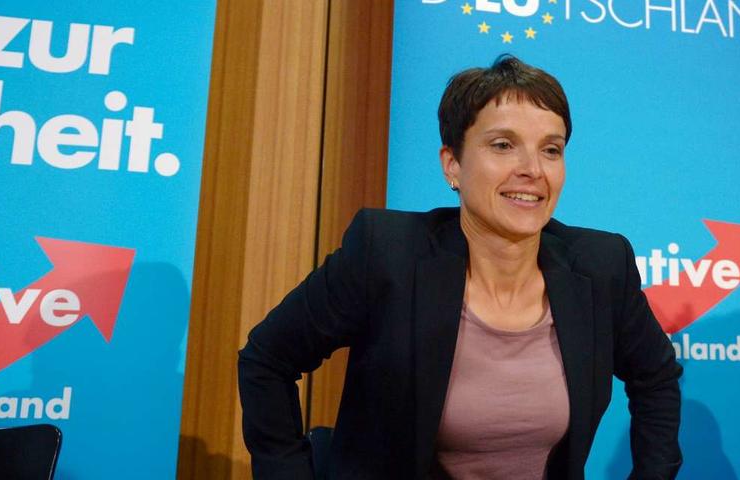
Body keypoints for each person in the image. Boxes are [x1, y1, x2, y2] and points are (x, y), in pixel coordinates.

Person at [238, 55, 682, 480]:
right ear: (452, 164)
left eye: (551, 149)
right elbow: (267, 359)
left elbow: (657, 377)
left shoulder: (601, 265)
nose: (532, 169)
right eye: (503, 145)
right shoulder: (387, 254)